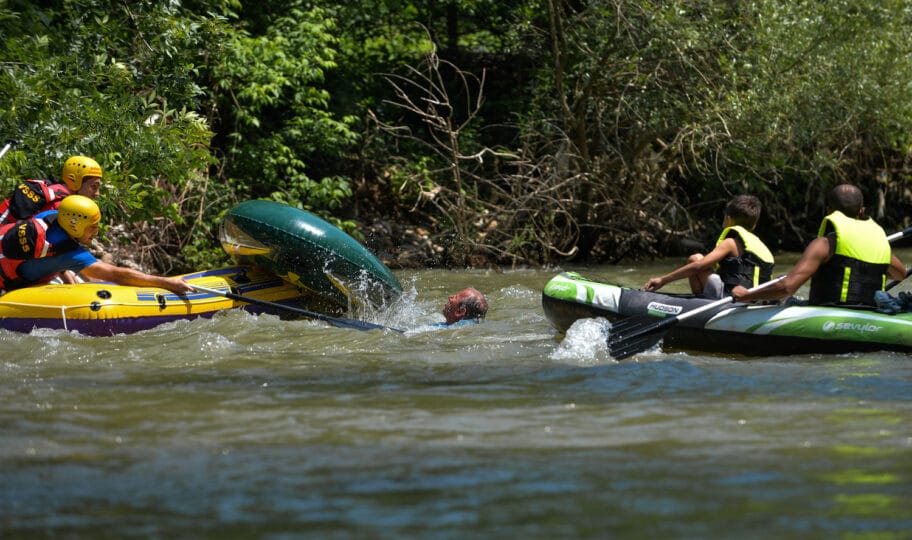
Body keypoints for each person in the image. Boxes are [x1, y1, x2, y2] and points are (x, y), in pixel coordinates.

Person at [732, 184, 906, 306]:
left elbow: (787, 288)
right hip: (871, 313)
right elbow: (900, 274)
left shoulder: (824, 245)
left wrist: (746, 295)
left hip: (829, 312)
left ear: (829, 210)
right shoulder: (880, 244)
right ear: (862, 211)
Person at [0, 195, 193, 295]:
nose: (96, 232)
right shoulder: (71, 254)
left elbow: (47, 258)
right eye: (92, 228)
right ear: (75, 226)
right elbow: (116, 274)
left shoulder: (46, 218)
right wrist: (166, 282)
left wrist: (65, 273)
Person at [644, 194, 775, 298]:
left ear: (728, 219)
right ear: (754, 225)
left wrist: (663, 280)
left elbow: (699, 266)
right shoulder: (761, 247)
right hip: (755, 300)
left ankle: (700, 302)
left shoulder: (730, 243)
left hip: (732, 299)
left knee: (696, 258)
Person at [0, 155, 104, 225]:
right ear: (75, 181)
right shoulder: (62, 206)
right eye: (94, 187)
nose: (97, 194)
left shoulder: (52, 187)